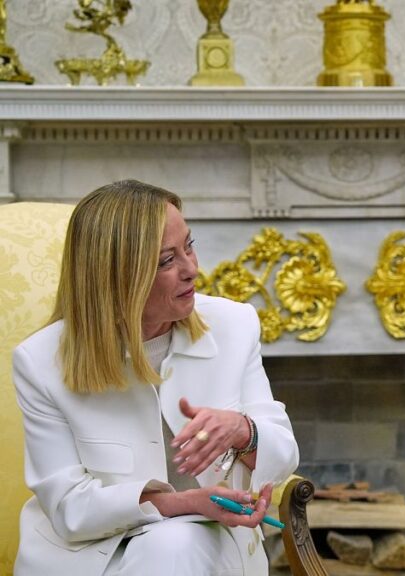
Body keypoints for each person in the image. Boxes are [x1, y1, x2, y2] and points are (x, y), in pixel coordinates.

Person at [13, 180, 300, 575]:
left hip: (209, 552)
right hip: (87, 559)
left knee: (175, 544)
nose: (192, 269)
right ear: (115, 277)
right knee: (172, 543)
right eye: (167, 260)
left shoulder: (235, 324)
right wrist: (183, 503)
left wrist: (242, 431)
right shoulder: (40, 361)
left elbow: (284, 455)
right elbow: (69, 508)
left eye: (189, 246)